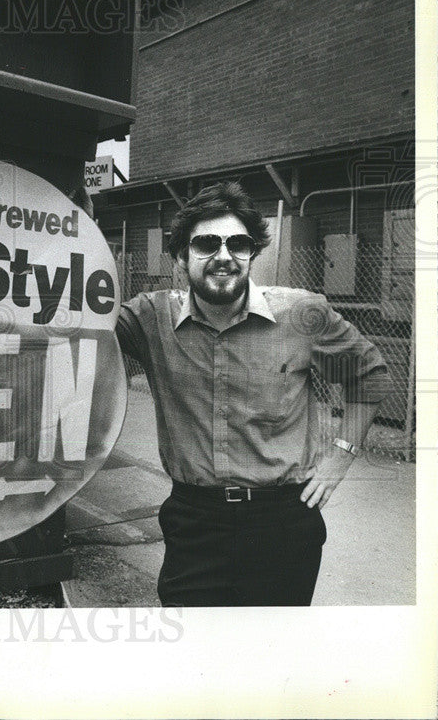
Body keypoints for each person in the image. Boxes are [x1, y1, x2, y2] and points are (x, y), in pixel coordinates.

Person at [115, 182, 390, 606]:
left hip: (281, 523)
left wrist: (341, 456)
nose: (223, 256)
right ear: (180, 256)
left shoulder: (300, 315)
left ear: (251, 254)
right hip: (194, 522)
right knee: (195, 658)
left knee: (273, 660)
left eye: (237, 244)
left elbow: (369, 376)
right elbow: (73, 316)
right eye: (206, 243)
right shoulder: (149, 319)